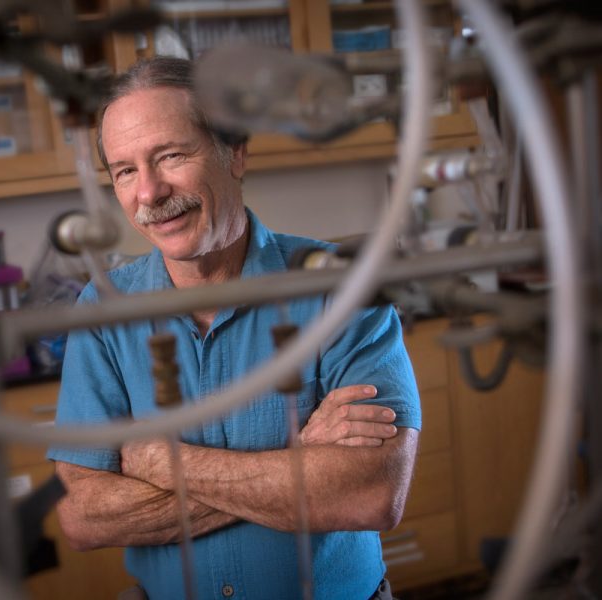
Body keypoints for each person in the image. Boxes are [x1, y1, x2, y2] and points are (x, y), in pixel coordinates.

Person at [46, 56, 420, 600]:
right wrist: (299, 469)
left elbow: (371, 493)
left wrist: (160, 464)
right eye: (125, 171)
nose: (148, 193)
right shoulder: (102, 308)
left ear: (236, 151)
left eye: (170, 156)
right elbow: (82, 518)